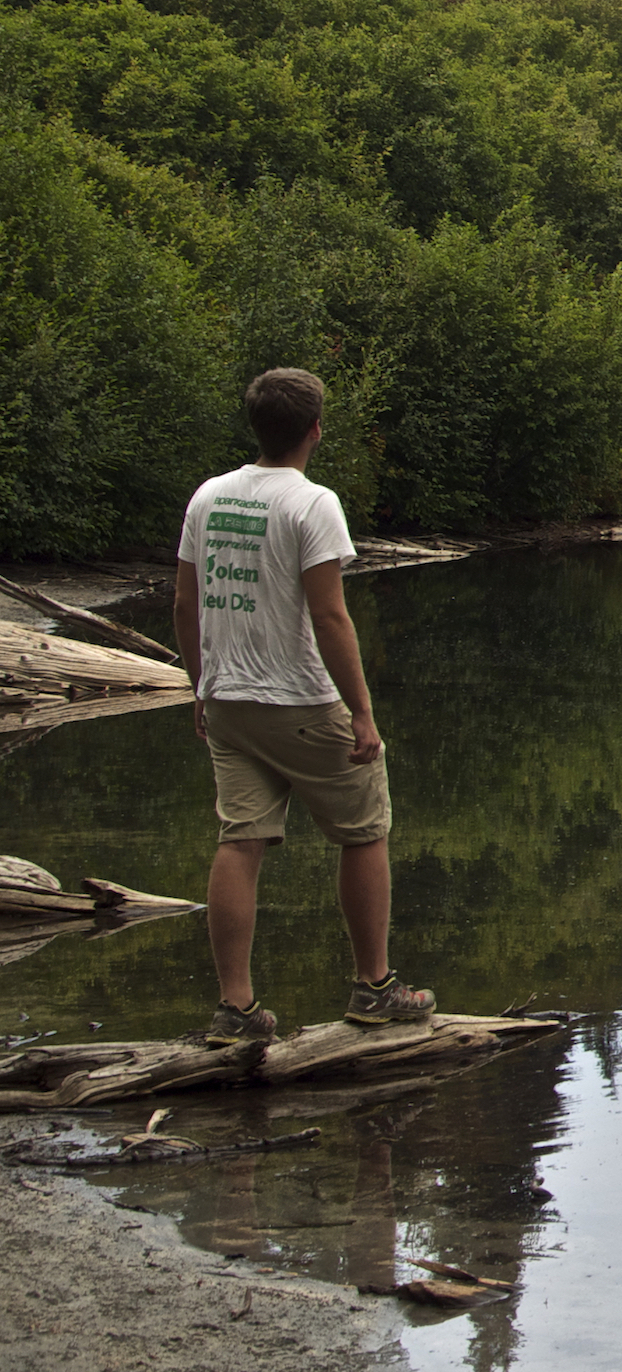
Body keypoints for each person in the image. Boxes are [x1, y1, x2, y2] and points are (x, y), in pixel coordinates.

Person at [173, 368, 433, 1042]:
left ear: (256, 426)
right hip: (299, 701)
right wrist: (362, 711)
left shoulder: (208, 497)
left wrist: (200, 686)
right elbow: (330, 616)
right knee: (365, 829)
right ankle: (373, 987)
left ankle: (235, 1009)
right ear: (314, 430)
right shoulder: (312, 503)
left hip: (228, 700)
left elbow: (184, 601)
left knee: (241, 839)